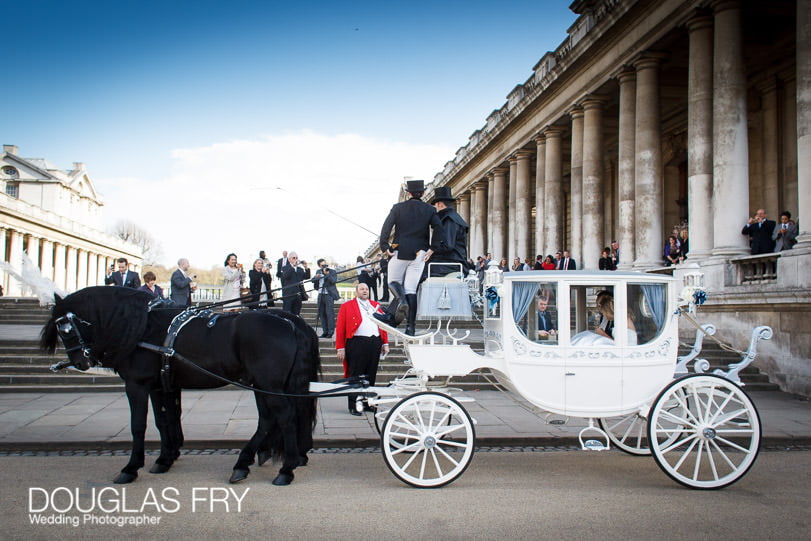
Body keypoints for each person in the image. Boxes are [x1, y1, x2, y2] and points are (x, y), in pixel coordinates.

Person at [376, 179, 445, 335]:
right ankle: (410, 327)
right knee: (411, 289)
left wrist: (385, 247)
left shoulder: (398, 208)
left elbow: (386, 228)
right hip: (420, 253)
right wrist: (433, 248)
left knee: (393, 282)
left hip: (400, 250)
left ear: (408, 193)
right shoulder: (430, 209)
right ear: (423, 193)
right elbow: (439, 228)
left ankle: (402, 301)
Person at [336, 283, 389, 415]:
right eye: (362, 289)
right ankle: (354, 405)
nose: (365, 291)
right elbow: (340, 328)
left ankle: (367, 403)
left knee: (371, 374)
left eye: (366, 289)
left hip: (374, 342)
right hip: (357, 342)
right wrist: (340, 347)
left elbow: (383, 325)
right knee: (355, 374)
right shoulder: (347, 306)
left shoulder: (375, 305)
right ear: (356, 291)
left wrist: (385, 343)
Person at [427, 186, 469, 277]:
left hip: (452, 263)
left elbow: (448, 245)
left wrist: (431, 250)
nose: (435, 208)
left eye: (435, 205)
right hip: (452, 261)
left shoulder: (449, 219)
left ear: (440, 204)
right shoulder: (452, 217)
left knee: (420, 270)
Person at [314, 258, 339, 338]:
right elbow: (312, 281)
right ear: (319, 266)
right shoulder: (318, 271)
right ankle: (325, 331)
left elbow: (334, 281)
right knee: (322, 314)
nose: (324, 267)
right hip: (320, 294)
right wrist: (316, 277)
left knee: (329, 313)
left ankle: (330, 332)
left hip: (329, 294)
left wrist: (327, 274)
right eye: (322, 266)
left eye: (325, 265)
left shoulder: (332, 271)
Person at [280, 251, 307, 316]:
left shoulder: (300, 269)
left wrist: (306, 268)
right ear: (289, 259)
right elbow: (286, 276)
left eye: (296, 258)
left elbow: (306, 277)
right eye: (294, 258)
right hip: (288, 295)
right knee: (287, 313)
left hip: (298, 294)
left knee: (296, 314)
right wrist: (292, 267)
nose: (295, 259)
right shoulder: (285, 268)